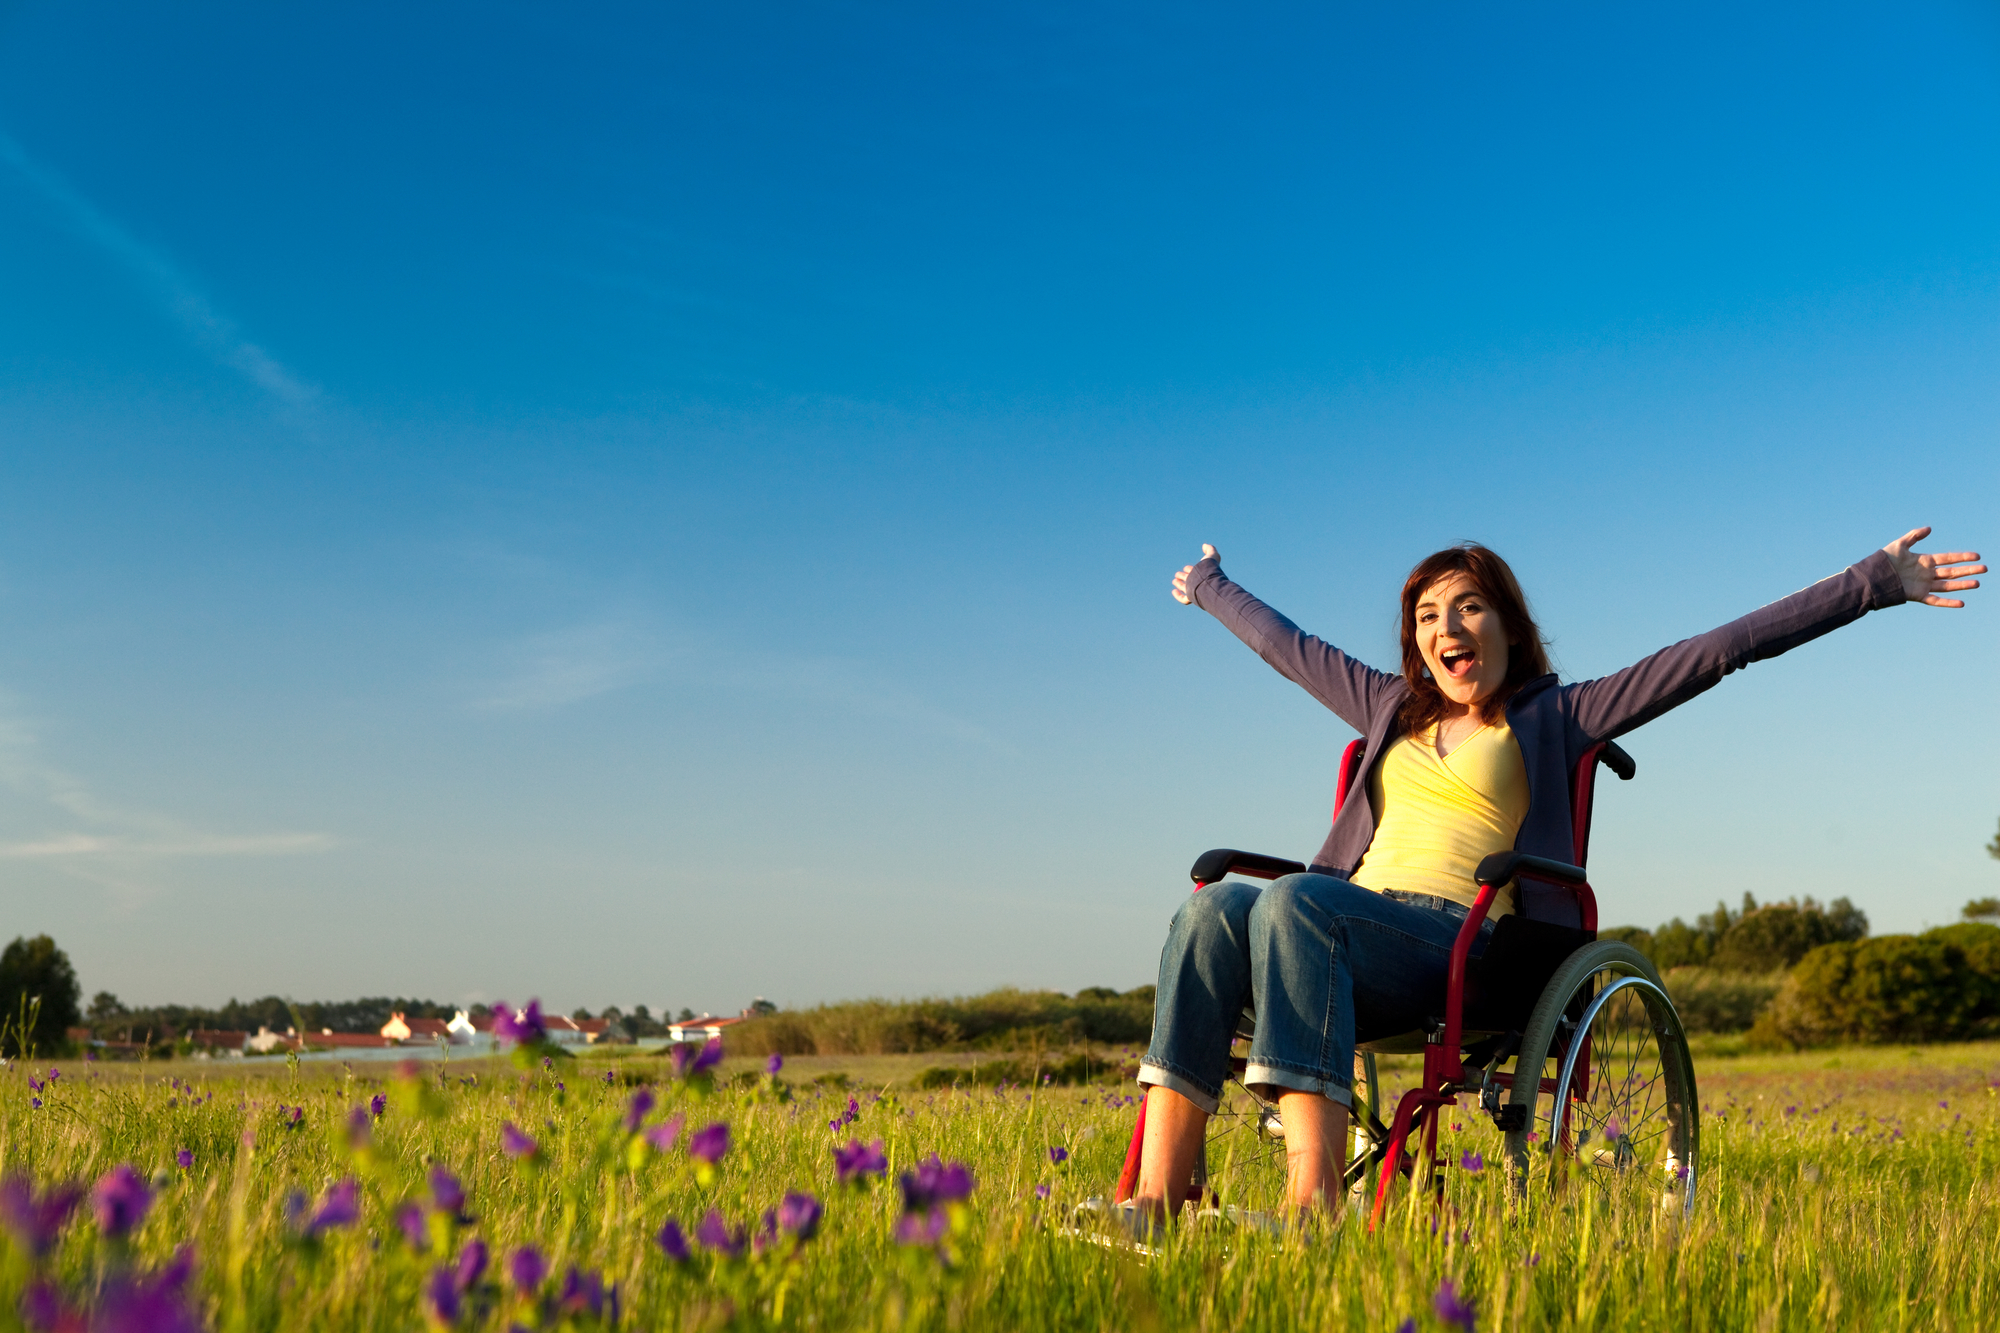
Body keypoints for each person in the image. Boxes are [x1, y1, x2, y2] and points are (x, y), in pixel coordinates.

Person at [1129, 527, 1983, 1225]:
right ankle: (1157, 1200)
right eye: (1429, 614)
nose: (1448, 626)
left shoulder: (1558, 714)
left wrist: (1873, 581)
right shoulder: (1386, 705)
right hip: (1330, 928)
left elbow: (1720, 650)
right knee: (1212, 912)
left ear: (1507, 625)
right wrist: (1209, 584)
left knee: (1295, 901)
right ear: (1417, 642)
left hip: (1458, 942)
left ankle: (1310, 1207)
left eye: (1469, 607)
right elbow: (1288, 646)